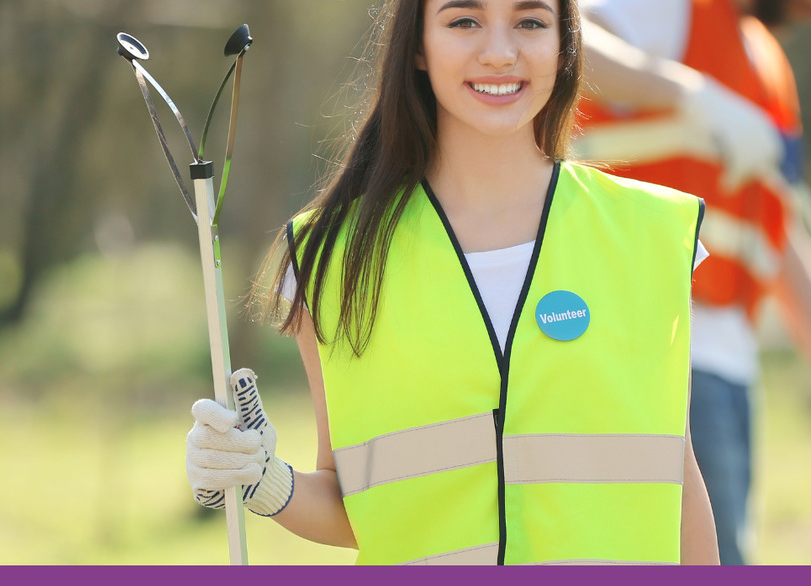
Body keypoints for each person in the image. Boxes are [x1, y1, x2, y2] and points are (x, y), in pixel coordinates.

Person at [185, 0, 720, 565]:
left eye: (530, 22)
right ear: (418, 45)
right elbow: (362, 505)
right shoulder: (332, 258)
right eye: (464, 20)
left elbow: (675, 478)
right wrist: (265, 480)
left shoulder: (654, 236)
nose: (499, 52)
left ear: (564, 42)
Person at [574, 0, 811, 565]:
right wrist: (691, 95)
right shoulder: (671, 8)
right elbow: (562, 43)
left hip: (729, 364)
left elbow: (770, 234)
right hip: (661, 343)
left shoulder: (765, 58)